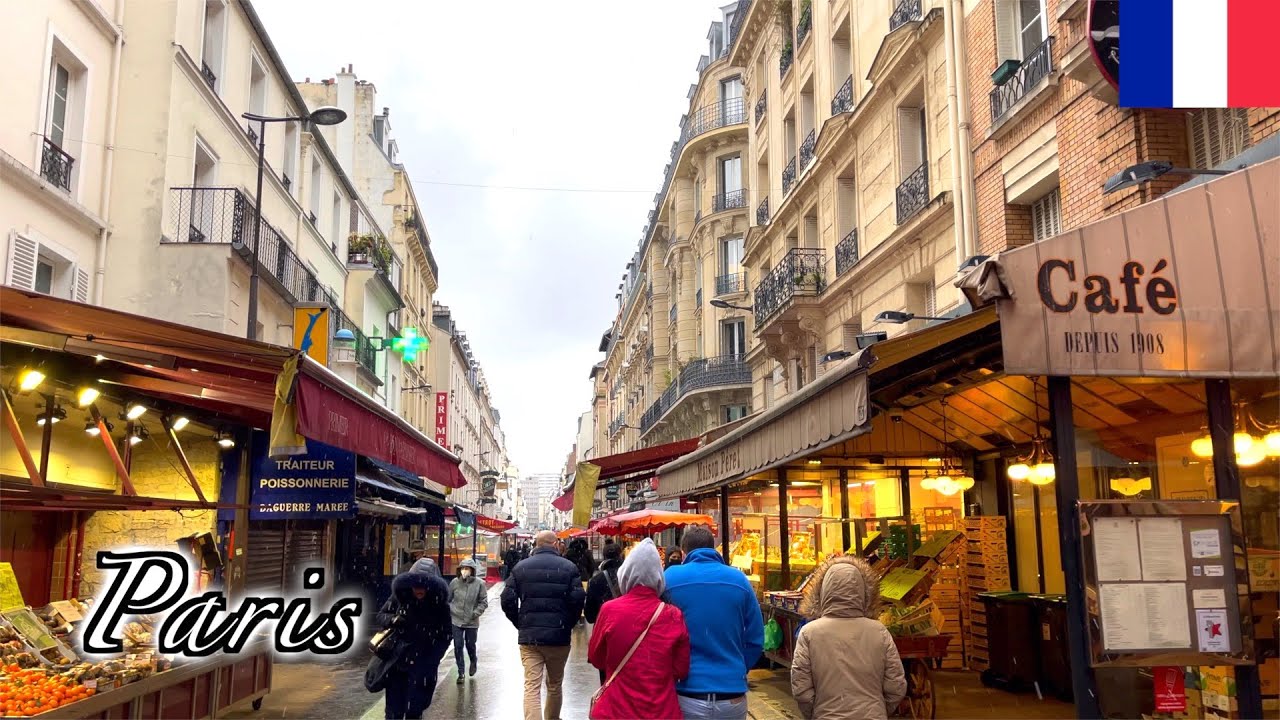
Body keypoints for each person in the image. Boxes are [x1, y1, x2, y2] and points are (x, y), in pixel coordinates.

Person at [664, 525, 764, 720]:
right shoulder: (739, 580)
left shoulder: (669, 578)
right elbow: (756, 638)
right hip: (731, 693)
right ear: (713, 548)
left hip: (685, 691)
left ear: (684, 553)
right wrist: (738, 668)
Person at [791, 556, 906, 720]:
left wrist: (817, 713)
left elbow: (801, 688)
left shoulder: (809, 633)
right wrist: (879, 710)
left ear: (822, 591)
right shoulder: (879, 631)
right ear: (864, 591)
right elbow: (896, 685)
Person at [588, 539, 690, 720]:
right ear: (659, 577)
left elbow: (596, 658)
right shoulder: (673, 615)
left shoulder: (609, 610)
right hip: (661, 711)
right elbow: (681, 669)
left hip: (616, 710)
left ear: (625, 575)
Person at [501, 530, 586, 720]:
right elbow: (578, 599)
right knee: (554, 683)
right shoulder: (569, 567)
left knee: (532, 685)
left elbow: (507, 598)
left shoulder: (521, 567)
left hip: (530, 637)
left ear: (536, 545)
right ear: (556, 544)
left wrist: (520, 622)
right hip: (559, 636)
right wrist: (568, 623)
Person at [374, 558, 452, 720]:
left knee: (414, 712)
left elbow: (445, 636)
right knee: (393, 712)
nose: (419, 589)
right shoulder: (400, 598)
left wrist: (432, 659)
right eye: (415, 585)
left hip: (422, 669)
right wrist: (393, 620)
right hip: (397, 665)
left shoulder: (439, 606)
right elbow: (381, 616)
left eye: (424, 585)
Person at [448, 557, 488, 683]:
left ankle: (473, 661)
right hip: (456, 619)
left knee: (470, 645)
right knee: (458, 645)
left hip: (472, 621)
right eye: (462, 568)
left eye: (467, 568)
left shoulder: (480, 584)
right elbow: (448, 599)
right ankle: (461, 672)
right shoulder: (454, 582)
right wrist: (451, 610)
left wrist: (475, 613)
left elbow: (483, 602)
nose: (464, 571)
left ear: (472, 570)